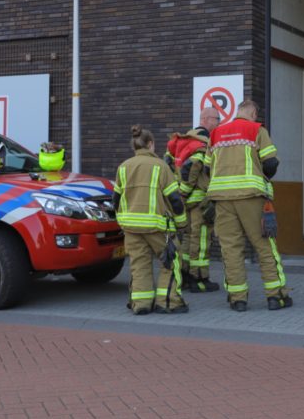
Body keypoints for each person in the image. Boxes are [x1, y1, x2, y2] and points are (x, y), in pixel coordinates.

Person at [206, 99, 291, 312]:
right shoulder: (256, 129)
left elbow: (208, 169)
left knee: (231, 249)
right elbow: (270, 163)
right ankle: (275, 296)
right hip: (251, 198)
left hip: (222, 200)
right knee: (264, 246)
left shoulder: (216, 133)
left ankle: (238, 299)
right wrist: (262, 178)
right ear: (253, 113)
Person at [113, 125, 189, 315]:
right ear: (151, 144)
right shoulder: (161, 167)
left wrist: (122, 220)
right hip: (157, 228)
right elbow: (175, 201)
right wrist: (181, 223)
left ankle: (141, 304)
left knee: (139, 264)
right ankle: (168, 302)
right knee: (171, 261)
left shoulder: (123, 167)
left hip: (131, 227)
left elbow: (115, 200)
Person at [166, 106, 221, 292]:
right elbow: (193, 167)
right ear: (205, 119)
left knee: (189, 237)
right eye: (216, 118)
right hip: (198, 201)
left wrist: (179, 193)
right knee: (202, 239)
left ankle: (187, 274)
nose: (219, 122)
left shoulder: (183, 140)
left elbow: (169, 163)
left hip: (185, 201)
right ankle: (200, 279)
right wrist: (184, 190)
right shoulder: (202, 142)